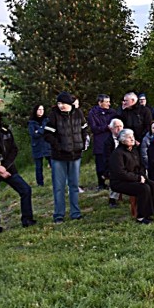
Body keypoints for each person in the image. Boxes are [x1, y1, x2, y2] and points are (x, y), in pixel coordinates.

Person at [0, 108, 36, 230]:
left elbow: (14, 150)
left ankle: (27, 220)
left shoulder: (5, 131)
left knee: (26, 190)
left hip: (8, 169)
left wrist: (4, 167)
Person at [44, 92, 88, 224]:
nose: (61, 106)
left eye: (63, 103)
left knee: (74, 185)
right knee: (59, 187)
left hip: (76, 155)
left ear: (69, 103)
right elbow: (47, 135)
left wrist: (82, 141)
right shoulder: (53, 115)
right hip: (59, 157)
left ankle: (75, 213)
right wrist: (58, 146)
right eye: (59, 103)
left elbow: (84, 128)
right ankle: (59, 214)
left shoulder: (78, 113)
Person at [109, 128, 154, 224]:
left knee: (153, 185)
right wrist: (138, 178)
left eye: (132, 137)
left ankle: (150, 212)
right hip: (120, 182)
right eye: (129, 137)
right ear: (122, 140)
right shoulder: (117, 153)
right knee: (143, 188)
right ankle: (140, 217)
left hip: (135, 178)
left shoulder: (134, 150)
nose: (132, 139)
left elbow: (141, 166)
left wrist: (142, 176)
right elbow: (120, 173)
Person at [87, 94, 117, 190]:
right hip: (99, 142)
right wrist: (106, 127)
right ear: (100, 103)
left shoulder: (112, 112)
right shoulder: (93, 113)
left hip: (111, 140)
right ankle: (101, 184)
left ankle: (113, 182)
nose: (109, 104)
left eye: (109, 101)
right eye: (106, 102)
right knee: (100, 164)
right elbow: (94, 128)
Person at [28, 104, 52, 186]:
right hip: (37, 146)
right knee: (38, 167)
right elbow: (34, 135)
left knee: (53, 164)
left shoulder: (47, 120)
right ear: (35, 110)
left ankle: (57, 180)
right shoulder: (31, 122)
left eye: (42, 109)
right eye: (39, 109)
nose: (41, 111)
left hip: (47, 145)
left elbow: (51, 131)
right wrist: (43, 129)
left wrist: (39, 130)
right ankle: (40, 184)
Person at [103, 118, 124, 207]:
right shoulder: (108, 142)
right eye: (116, 127)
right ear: (111, 128)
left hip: (127, 164)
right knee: (116, 174)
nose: (119, 129)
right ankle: (113, 199)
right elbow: (107, 159)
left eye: (121, 126)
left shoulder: (127, 138)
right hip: (113, 166)